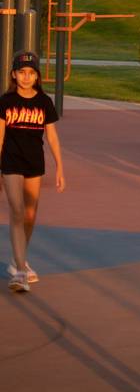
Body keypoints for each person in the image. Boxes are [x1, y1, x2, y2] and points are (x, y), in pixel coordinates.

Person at [0, 48, 65, 293]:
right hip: (10, 163)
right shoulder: (6, 102)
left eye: (31, 72)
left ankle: (19, 259)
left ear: (37, 76)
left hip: (35, 164)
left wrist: (60, 168)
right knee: (17, 211)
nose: (26, 77)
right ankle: (19, 272)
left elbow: (53, 137)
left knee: (29, 215)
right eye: (21, 72)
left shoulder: (44, 102)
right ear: (13, 74)